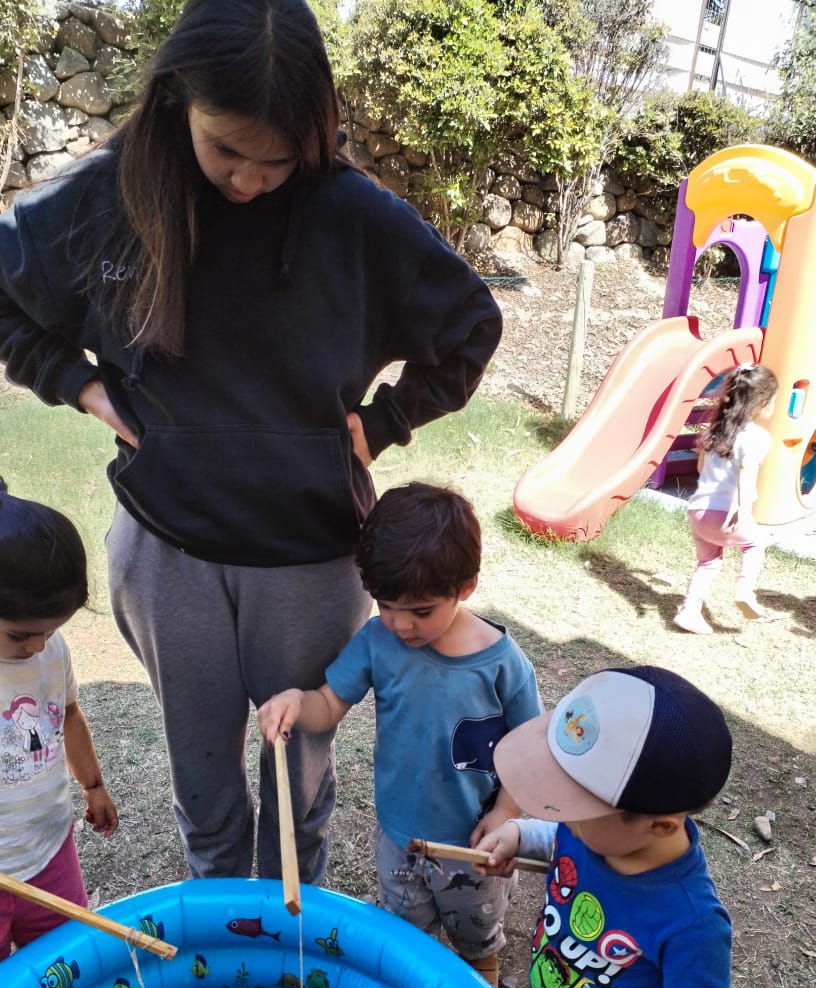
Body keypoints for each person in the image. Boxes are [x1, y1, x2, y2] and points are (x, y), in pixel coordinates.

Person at [0, 0, 502, 884]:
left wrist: (385, 422)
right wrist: (77, 384)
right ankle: (220, 938)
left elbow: (471, 324)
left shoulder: (354, 215)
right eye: (227, 150)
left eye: (279, 160)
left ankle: (289, 939)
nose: (251, 181)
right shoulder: (111, 194)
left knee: (297, 784)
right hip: (167, 550)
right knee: (204, 786)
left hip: (309, 558)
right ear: (177, 104)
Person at [258, 482, 542, 987]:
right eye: (385, 605)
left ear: (466, 587)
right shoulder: (377, 641)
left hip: (474, 844)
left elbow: (529, 748)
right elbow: (329, 703)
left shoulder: (502, 663)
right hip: (399, 839)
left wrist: (504, 813)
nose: (400, 624)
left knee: (476, 942)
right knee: (407, 942)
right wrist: (297, 702)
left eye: (421, 611)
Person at [474, 665, 733, 988]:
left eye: (574, 806)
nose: (559, 812)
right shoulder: (595, 829)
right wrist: (519, 835)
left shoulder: (692, 921)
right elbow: (560, 837)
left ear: (660, 826)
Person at [0, 480, 118, 961]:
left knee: (67, 965)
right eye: (20, 635)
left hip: (50, 851)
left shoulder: (50, 651)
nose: (38, 646)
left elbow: (67, 714)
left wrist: (93, 785)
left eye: (51, 631)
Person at [674, 362, 779, 635]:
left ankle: (690, 611)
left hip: (698, 512)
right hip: (726, 513)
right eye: (773, 401)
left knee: (708, 562)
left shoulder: (714, 431)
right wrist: (743, 509)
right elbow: (746, 470)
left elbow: (701, 468)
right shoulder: (757, 437)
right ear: (760, 403)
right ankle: (744, 590)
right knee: (755, 543)